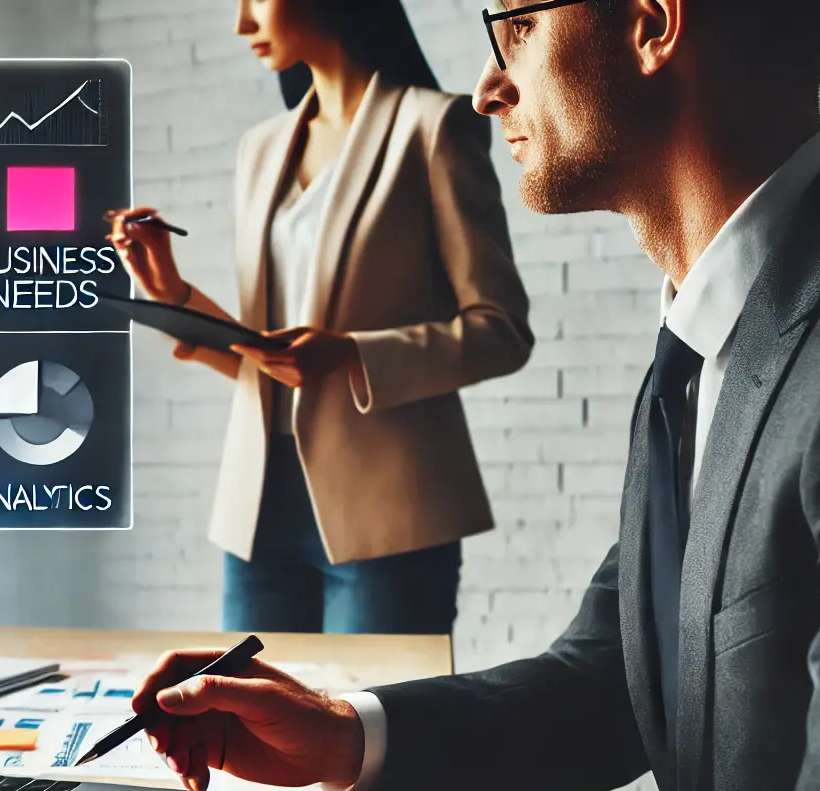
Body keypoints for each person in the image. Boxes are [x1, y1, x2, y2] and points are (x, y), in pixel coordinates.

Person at [125, 0, 820, 791]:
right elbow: (618, 676)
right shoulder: (713, 334)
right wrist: (347, 733)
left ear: (653, 24)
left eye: (519, 28)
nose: (489, 86)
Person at [109, 0, 532, 635]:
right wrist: (172, 292)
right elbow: (271, 359)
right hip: (256, 513)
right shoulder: (262, 148)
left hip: (391, 514)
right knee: (250, 724)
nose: (241, 23)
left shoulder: (433, 126)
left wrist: (352, 355)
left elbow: (501, 330)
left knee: (374, 727)